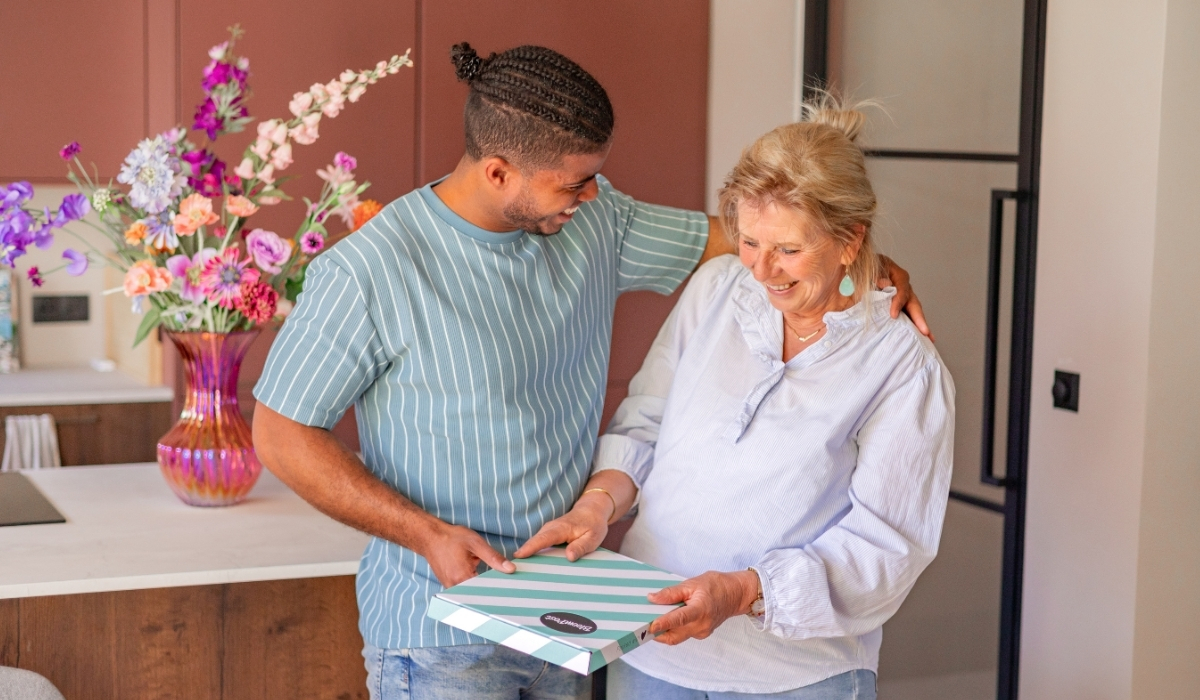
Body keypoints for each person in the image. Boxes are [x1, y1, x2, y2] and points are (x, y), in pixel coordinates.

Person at [252, 43, 928, 700]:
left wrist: (863, 268)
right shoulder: (366, 272)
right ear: (497, 173)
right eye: (573, 181)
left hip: (569, 621)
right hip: (439, 634)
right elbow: (281, 436)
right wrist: (424, 535)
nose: (593, 191)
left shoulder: (592, 222)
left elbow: (755, 240)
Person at [516, 97, 954, 699]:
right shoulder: (717, 290)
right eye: (748, 241)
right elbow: (645, 423)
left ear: (850, 241)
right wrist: (596, 506)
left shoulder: (903, 367)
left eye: (789, 250)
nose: (762, 269)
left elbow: (887, 547)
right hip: (650, 651)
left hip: (796, 678)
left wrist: (744, 592)